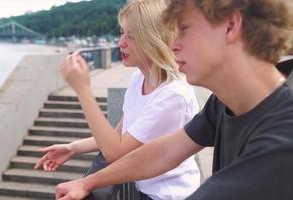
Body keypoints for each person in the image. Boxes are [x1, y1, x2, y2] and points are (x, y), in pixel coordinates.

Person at [54, 0, 293, 200]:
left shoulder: (282, 142)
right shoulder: (224, 102)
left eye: (184, 29)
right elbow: (166, 152)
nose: (173, 45)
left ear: (230, 26)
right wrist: (89, 183)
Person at [34, 0, 201, 199]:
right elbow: (119, 135)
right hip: (146, 191)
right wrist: (72, 148)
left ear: (154, 39)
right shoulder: (139, 79)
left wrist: (83, 90)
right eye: (122, 32)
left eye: (132, 36)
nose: (121, 43)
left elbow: (116, 152)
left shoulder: (173, 96)